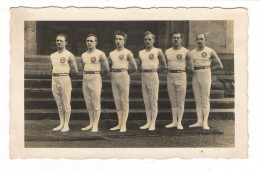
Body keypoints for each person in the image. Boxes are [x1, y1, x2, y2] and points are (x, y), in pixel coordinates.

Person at [189, 33, 223, 130]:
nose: (199, 41)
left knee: (205, 98)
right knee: (198, 98)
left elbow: (220, 65)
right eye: (198, 39)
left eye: (201, 39)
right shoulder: (192, 52)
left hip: (206, 74)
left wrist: (207, 69)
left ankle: (205, 122)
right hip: (195, 74)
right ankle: (199, 121)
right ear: (196, 41)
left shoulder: (210, 51)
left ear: (205, 40)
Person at [108, 31, 137, 132]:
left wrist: (126, 72)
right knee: (117, 100)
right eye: (116, 39)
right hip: (114, 75)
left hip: (124, 75)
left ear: (124, 41)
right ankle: (119, 123)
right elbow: (108, 65)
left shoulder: (127, 52)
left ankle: (124, 124)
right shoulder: (112, 53)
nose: (118, 41)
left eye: (120, 39)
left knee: (124, 100)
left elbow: (134, 67)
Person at [137, 31, 167, 131]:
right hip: (144, 76)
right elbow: (138, 65)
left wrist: (155, 72)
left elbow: (164, 65)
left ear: (153, 40)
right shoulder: (141, 52)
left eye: (149, 39)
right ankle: (148, 122)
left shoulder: (158, 51)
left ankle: (153, 123)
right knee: (146, 100)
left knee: (153, 100)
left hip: (153, 76)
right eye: (146, 39)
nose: (147, 41)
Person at [164, 32, 193, 130]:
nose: (176, 40)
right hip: (170, 75)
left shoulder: (186, 52)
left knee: (180, 100)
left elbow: (191, 67)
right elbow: (163, 65)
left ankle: (179, 122)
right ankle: (174, 121)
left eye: (178, 38)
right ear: (171, 40)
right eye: (174, 38)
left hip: (181, 76)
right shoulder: (167, 51)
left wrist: (182, 70)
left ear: (181, 39)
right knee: (173, 100)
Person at [81, 34, 110, 132]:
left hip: (95, 78)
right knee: (88, 102)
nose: (89, 43)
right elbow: (83, 67)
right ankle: (91, 123)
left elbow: (106, 69)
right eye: (87, 41)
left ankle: (96, 125)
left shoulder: (100, 54)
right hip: (85, 78)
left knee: (96, 102)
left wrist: (96, 75)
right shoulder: (84, 55)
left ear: (96, 42)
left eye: (91, 41)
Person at [50, 34, 78, 132]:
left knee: (66, 103)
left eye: (61, 41)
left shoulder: (69, 55)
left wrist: (65, 76)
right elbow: (51, 68)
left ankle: (66, 124)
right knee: (59, 103)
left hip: (64, 79)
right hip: (55, 80)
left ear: (66, 42)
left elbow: (75, 70)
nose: (58, 42)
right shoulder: (52, 55)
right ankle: (61, 123)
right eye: (57, 40)